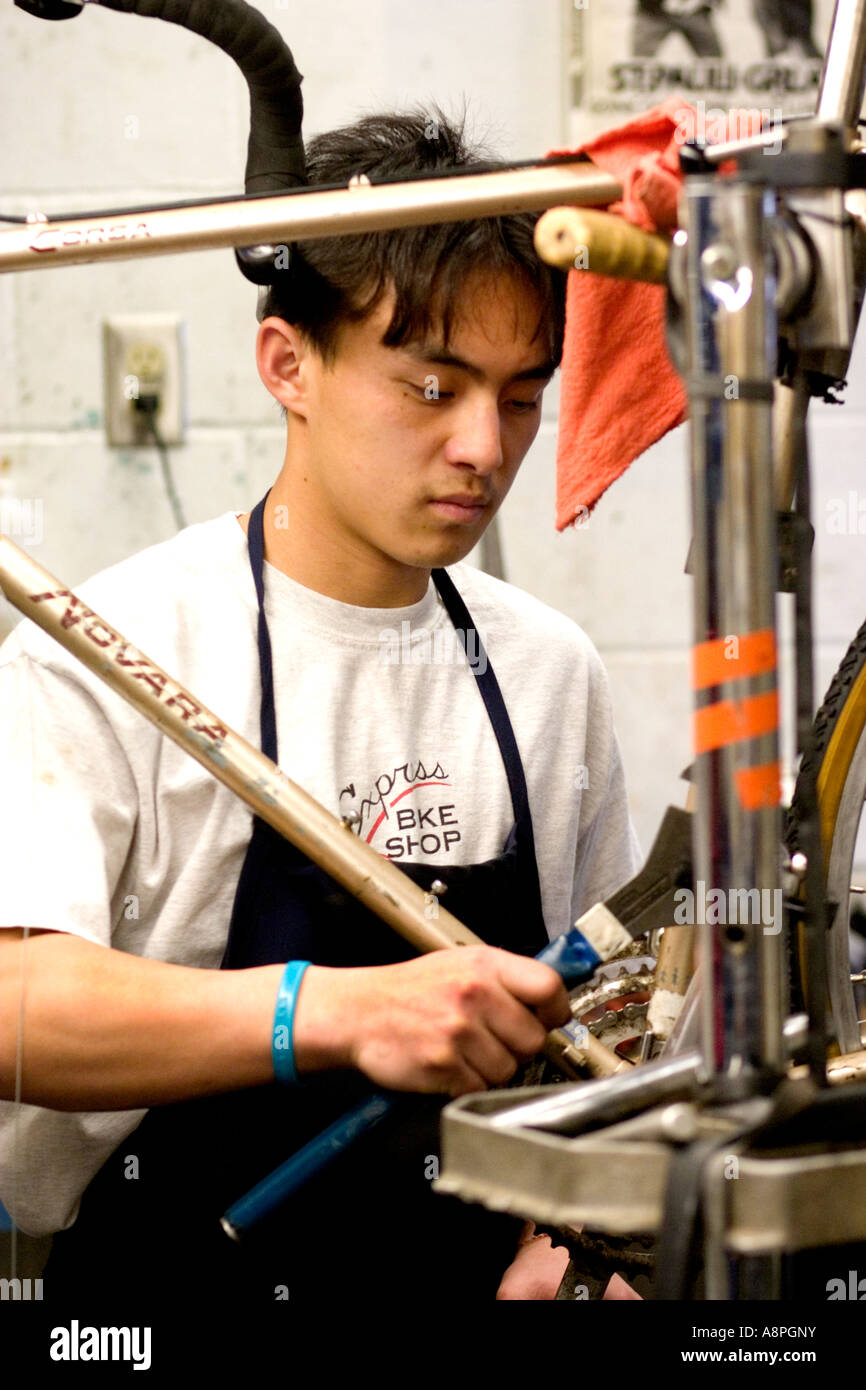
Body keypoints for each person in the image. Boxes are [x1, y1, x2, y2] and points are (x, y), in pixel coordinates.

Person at [0, 106, 642, 1305]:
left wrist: (574, 1241)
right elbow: (15, 1009)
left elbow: (597, 1029)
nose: (479, 448)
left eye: (517, 396)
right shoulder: (111, 648)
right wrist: (335, 1012)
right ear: (288, 363)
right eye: (432, 385)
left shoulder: (548, 671)